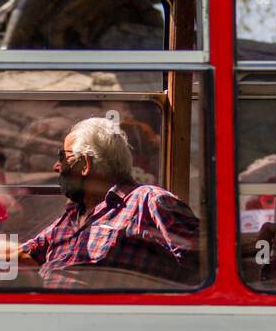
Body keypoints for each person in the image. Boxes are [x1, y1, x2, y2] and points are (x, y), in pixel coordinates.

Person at [16, 116, 201, 288]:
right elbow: (24, 255)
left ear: (85, 164)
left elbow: (204, 263)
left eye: (63, 157)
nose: (57, 167)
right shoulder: (73, 216)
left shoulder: (148, 201)